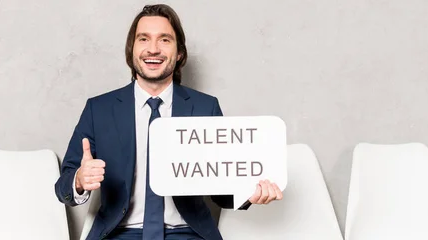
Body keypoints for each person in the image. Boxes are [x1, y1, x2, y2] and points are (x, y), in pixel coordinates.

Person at [54, 4, 283, 240]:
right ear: (131, 50)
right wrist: (79, 180)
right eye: (144, 39)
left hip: (187, 233)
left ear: (180, 53)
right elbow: (63, 187)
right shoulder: (98, 109)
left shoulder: (205, 108)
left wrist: (249, 192)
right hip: (119, 233)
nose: (153, 49)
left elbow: (221, 191)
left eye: (164, 40)